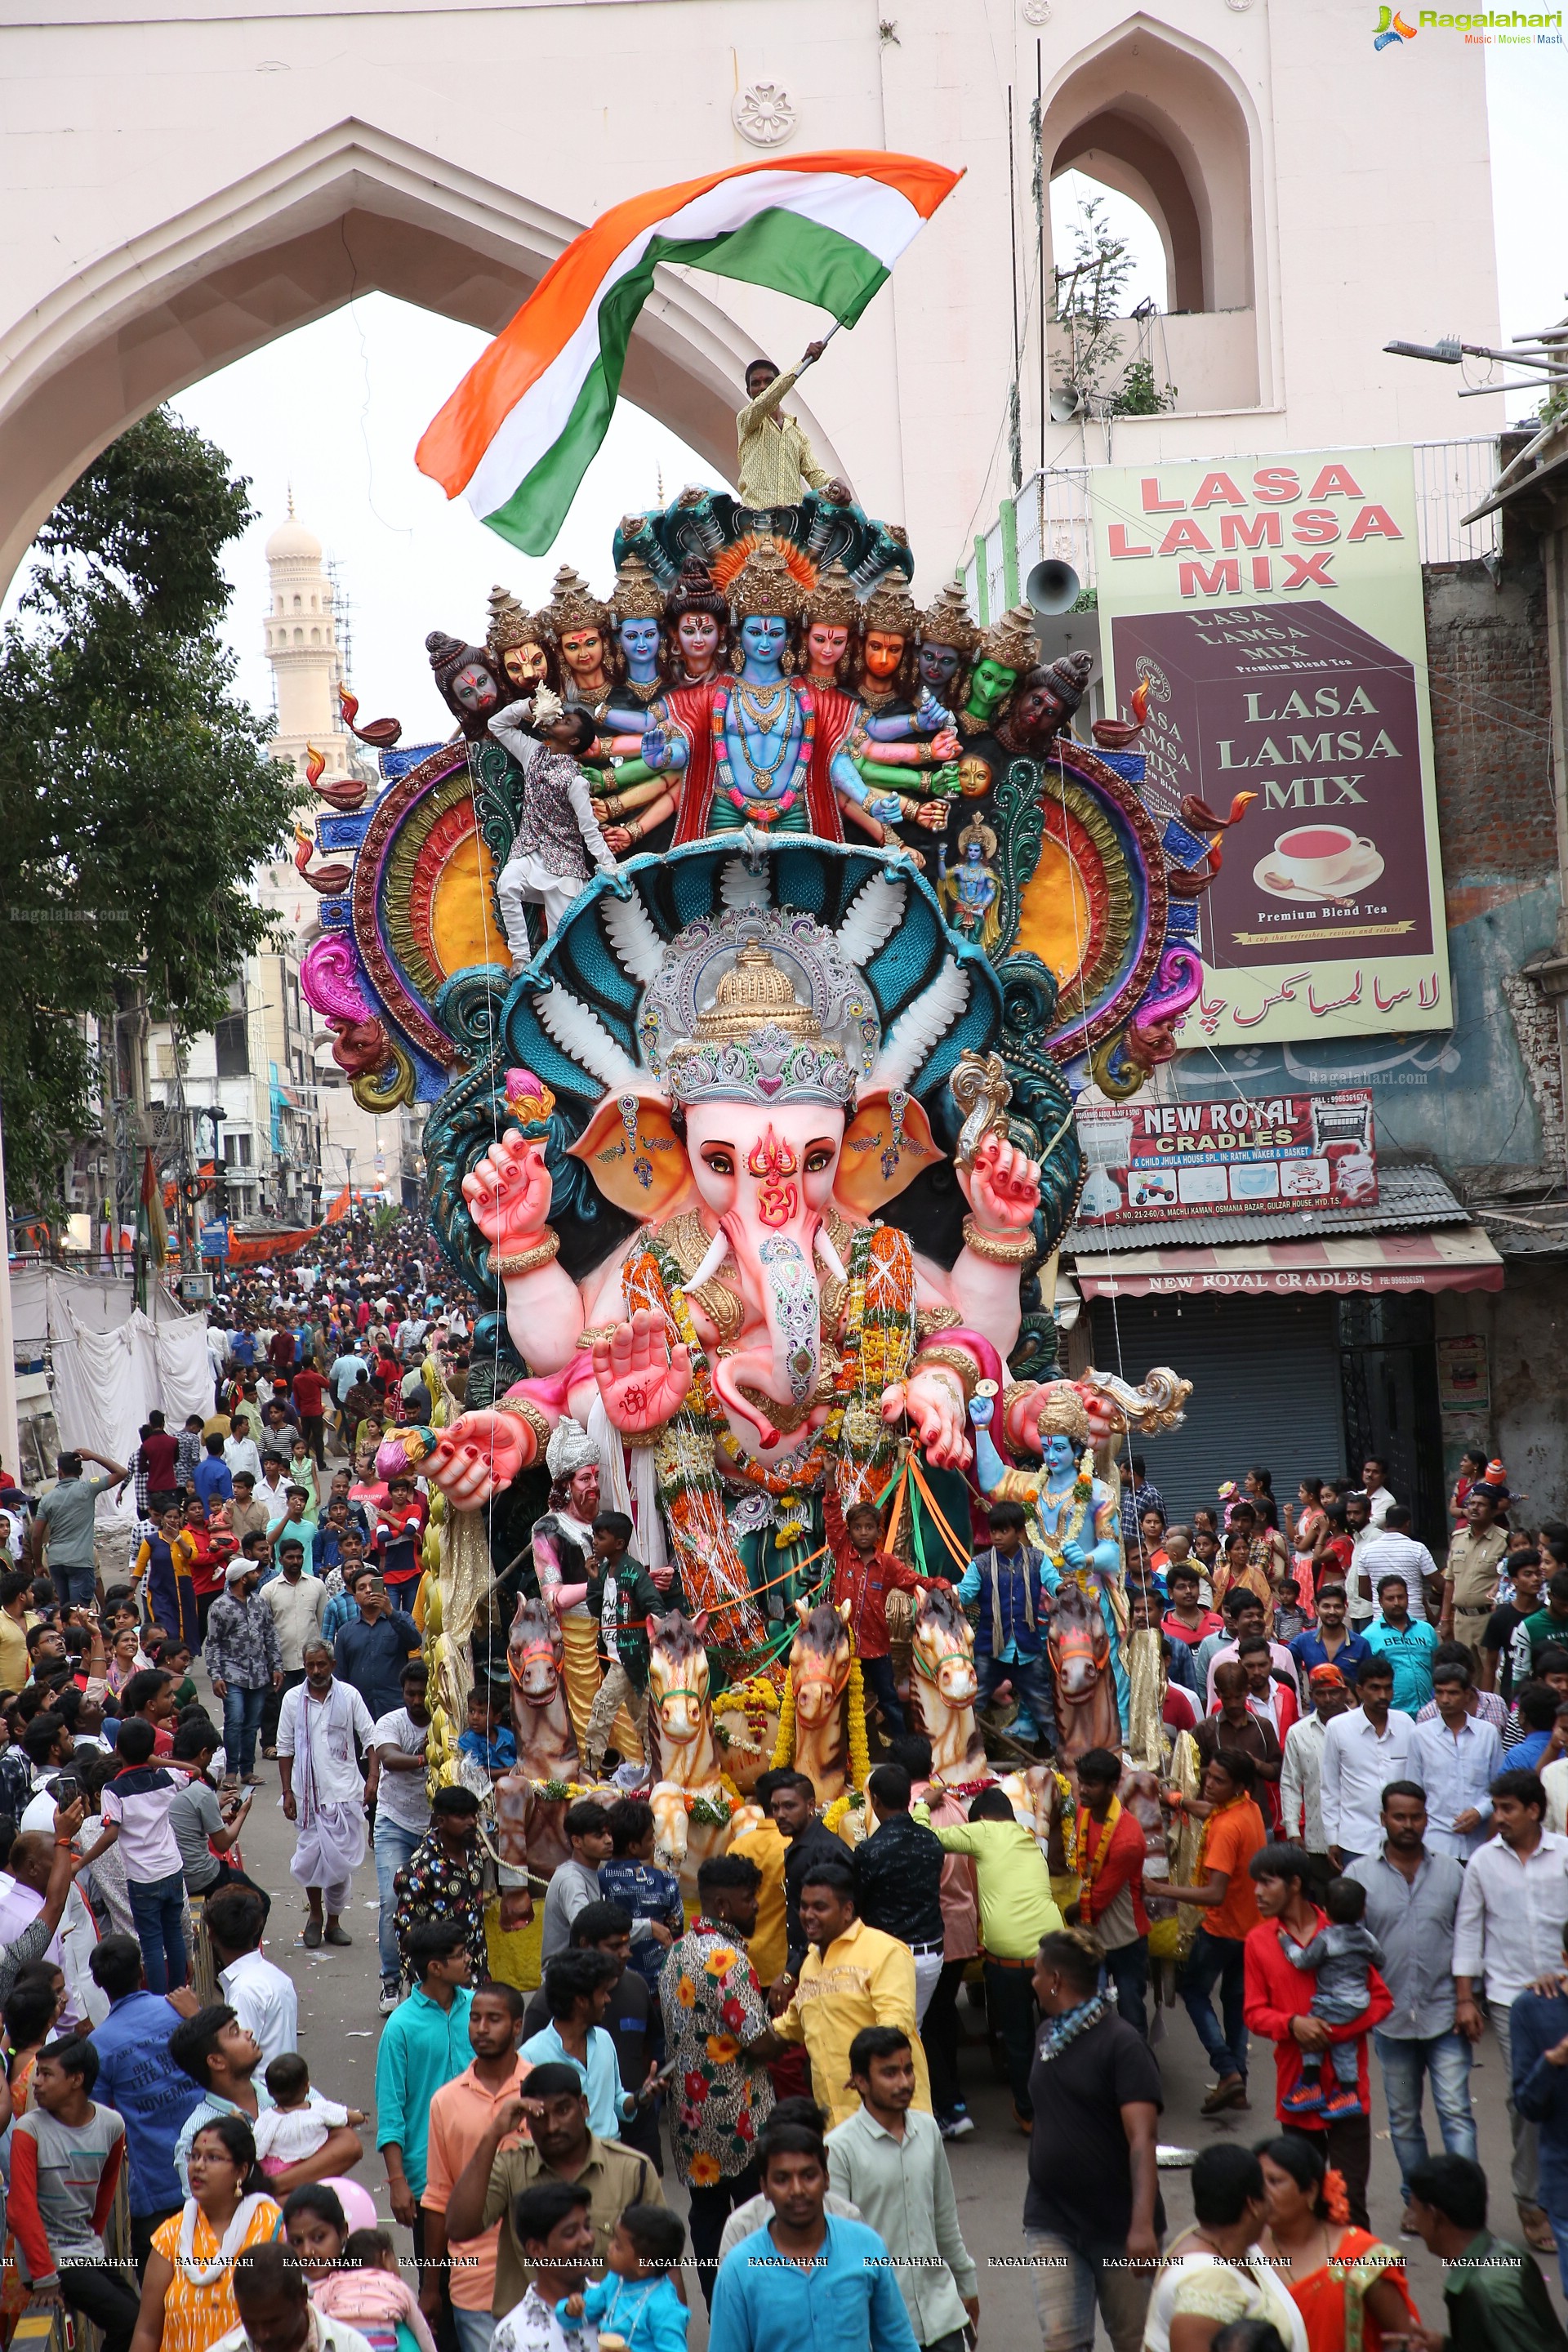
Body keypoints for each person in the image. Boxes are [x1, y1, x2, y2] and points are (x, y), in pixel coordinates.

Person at [1013, 1926, 1161, 2352]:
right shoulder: (1048, 2037)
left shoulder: (1123, 2045)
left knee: (1135, 2342)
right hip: (1051, 2218)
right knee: (1062, 2343)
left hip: (1118, 2225)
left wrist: (1141, 2224)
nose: (1033, 1981)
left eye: (1038, 1973)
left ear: (1056, 1980)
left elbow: (1142, 2139)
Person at [442, 2061, 666, 2321]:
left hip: (611, 2334)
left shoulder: (632, 2170)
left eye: (563, 2110)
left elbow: (664, 2262)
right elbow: (459, 2228)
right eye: (539, 2116)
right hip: (528, 2338)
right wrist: (493, 2135)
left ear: (583, 2106)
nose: (551, 2126)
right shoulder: (511, 2168)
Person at [1344, 1784, 1476, 2223]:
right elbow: (1348, 1949)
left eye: (1416, 1816)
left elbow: (1468, 1939)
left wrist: (1466, 1999)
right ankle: (1418, 2204)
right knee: (1403, 2120)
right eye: (1399, 1817)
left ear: (1425, 1817)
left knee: (1456, 2113)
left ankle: (1461, 2210)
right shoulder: (1359, 1877)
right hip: (1390, 2018)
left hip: (1447, 2013)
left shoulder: (1452, 1874)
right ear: (1383, 1819)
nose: (1408, 1825)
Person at [1245, 1843, 1392, 2230]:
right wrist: (1293, 2025)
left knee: (1349, 2204)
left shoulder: (1343, 1934)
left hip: (1348, 2095)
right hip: (1296, 2089)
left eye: (1266, 1883)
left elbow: (1380, 2001)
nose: (1257, 1892)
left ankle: (1358, 2285)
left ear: (1295, 1884)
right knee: (1302, 2209)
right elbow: (1254, 2013)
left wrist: (1330, 2032)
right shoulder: (1259, 1942)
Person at [1452, 1763, 1568, 2250]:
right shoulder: (1483, 1862)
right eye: (1495, 1808)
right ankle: (1531, 2202)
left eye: (1507, 1809)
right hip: (1508, 1999)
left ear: (1535, 1811)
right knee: (1526, 2102)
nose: (1497, 1817)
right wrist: (1465, 1998)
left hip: (1564, 1992)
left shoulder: (1564, 1855)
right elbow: (1468, 1928)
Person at [660, 1853, 782, 2296]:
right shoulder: (726, 1959)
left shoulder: (676, 1952)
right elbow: (761, 2042)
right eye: (750, 1899)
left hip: (691, 2118)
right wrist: (795, 2020)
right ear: (724, 1905)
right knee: (756, 2224)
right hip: (739, 2122)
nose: (757, 1908)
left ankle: (720, 2312)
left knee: (708, 2221)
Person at [825, 2027, 976, 2352]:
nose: (905, 2082)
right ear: (861, 2082)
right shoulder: (839, 2149)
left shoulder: (929, 2129)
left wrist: (966, 2284)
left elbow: (945, 2220)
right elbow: (837, 2247)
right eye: (890, 2073)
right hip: (879, 2325)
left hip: (942, 2315)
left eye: (908, 2070)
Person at [707, 2119, 918, 2352]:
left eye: (809, 2176)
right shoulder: (738, 2269)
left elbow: (898, 2343)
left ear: (827, 2179)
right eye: (782, 2179)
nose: (797, 2190)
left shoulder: (867, 2247)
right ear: (765, 2188)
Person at [920, 1786, 1062, 2123]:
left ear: (981, 1819)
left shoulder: (984, 1830)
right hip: (1056, 1950)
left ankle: (1028, 2112)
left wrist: (924, 1805)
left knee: (1018, 2037)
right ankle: (1065, 2104)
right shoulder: (1028, 1838)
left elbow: (924, 1836)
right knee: (1059, 2033)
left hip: (1010, 1959)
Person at [766, 1859, 932, 2130]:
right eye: (804, 1906)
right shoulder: (810, 1963)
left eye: (820, 1907)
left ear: (847, 1910)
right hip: (836, 2127)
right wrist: (740, 2039)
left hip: (892, 2117)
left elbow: (895, 2024)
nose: (808, 1915)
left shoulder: (885, 1951)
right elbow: (791, 2026)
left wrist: (867, 2067)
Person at [423, 1978, 533, 2352]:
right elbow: (438, 2199)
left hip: (542, 2279)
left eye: (494, 2019)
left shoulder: (540, 2091)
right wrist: (430, 2287)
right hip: (474, 2285)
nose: (481, 2029)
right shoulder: (445, 2102)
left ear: (517, 2026)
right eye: (475, 2019)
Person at [9, 2034, 135, 2352]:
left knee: (143, 2318)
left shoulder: (112, 2126)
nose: (36, 2082)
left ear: (77, 2080)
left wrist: (91, 2237)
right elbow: (20, 2209)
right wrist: (44, 2275)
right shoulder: (29, 2130)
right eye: (39, 2072)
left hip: (86, 2252)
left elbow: (105, 2191)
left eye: (47, 2074)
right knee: (128, 2322)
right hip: (53, 2261)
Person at [86, 1934, 204, 2266]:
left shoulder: (99, 2045)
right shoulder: (180, 2009)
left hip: (156, 2191)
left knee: (160, 2301)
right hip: (214, 2172)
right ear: (141, 1971)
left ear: (99, 1984)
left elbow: (101, 2118)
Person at [1161, 1749, 1268, 2116]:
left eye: (1218, 1781)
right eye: (1208, 1775)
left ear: (1238, 1785)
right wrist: (1179, 1801)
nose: (1209, 1783)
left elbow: (1214, 1893)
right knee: (1236, 2004)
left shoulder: (1226, 1828)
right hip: (1252, 1928)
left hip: (1222, 1928)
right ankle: (1237, 2082)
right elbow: (1212, 1812)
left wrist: (1162, 1890)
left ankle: (1226, 2069)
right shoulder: (1246, 1808)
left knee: (1193, 1992)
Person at [130, 2113, 284, 2352]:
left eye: (213, 2158)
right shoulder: (171, 2235)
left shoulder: (273, 2226)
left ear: (241, 2172)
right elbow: (147, 2330)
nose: (198, 2166)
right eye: (194, 2156)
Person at [376, 1920, 475, 2282]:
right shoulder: (400, 2027)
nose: (469, 1960)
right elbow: (391, 2111)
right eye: (460, 1955)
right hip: (427, 2180)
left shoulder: (480, 2011)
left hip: (484, 2169)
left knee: (483, 2280)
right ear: (435, 1968)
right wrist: (398, 2181)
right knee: (438, 2282)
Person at [1258, 2133, 1418, 2352]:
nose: (1262, 2193)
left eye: (1274, 2181)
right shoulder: (1245, 2252)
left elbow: (1405, 2339)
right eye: (1257, 2183)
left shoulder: (1362, 2256)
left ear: (1311, 2191)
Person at [488, 691, 617, 959]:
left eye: (567, 721)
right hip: (530, 853)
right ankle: (521, 958)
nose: (560, 719)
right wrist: (528, 706)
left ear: (573, 740)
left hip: (565, 870)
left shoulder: (576, 781)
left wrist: (611, 868)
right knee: (507, 885)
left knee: (562, 947)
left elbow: (589, 831)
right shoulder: (532, 752)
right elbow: (496, 725)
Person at [1142, 2144, 1306, 2352]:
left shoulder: (1211, 2239)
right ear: (1253, 2205)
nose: (1271, 2205)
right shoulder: (1206, 2290)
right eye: (1266, 2193)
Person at [1403, 2150, 1568, 2352]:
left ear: (1435, 2216)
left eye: (1414, 2209)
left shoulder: (1486, 2292)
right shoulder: (1507, 2255)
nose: (1414, 2220)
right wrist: (1444, 2346)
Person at [824, 1489, 946, 1739]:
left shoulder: (888, 1564)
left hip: (876, 1647)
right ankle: (838, 1752)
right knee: (837, 1701)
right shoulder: (842, 1551)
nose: (864, 1532)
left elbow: (916, 1581)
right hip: (841, 1646)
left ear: (879, 1532)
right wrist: (829, 1479)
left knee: (889, 1700)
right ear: (849, 1532)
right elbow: (832, 1516)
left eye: (869, 1527)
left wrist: (942, 1585)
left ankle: (904, 1750)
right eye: (857, 1527)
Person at [277, 1637, 375, 1948]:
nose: (316, 1670)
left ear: (333, 1665)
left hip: (345, 1790)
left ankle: (334, 1921)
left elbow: (370, 1737)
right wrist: (287, 1792)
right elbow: (284, 1747)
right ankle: (315, 1916)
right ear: (304, 1666)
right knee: (311, 1860)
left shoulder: (349, 1696)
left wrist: (373, 1777)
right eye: (310, 1665)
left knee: (339, 1863)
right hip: (307, 1796)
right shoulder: (292, 1699)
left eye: (322, 1664)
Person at [82, 1715, 188, 1993]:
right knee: (174, 1933)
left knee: (152, 1942)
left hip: (142, 1877)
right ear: (151, 1750)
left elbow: (111, 1833)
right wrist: (157, 1761)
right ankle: (179, 1993)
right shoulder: (165, 1779)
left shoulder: (112, 1790)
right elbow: (193, 1771)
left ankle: (158, 1999)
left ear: (117, 1750)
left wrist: (80, 1862)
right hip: (171, 1868)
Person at [581, 1512, 684, 1780]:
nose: (594, 1542)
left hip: (631, 1657)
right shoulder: (603, 1570)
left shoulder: (634, 1571)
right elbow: (596, 1610)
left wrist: (654, 1634)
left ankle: (590, 1772)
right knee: (644, 1720)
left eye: (600, 1537)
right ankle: (657, 1772)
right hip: (614, 1656)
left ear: (618, 1543)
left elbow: (656, 1607)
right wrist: (593, 1580)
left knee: (601, 1707)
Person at [1276, 1877, 1383, 2120]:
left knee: (1311, 2030)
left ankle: (1311, 2085)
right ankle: (1349, 2093)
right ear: (1363, 1910)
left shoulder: (1326, 1938)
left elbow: (1303, 1961)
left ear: (1325, 1910)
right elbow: (1380, 1960)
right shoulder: (1367, 1938)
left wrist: (1286, 1943)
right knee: (1344, 2048)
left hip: (1331, 2003)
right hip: (1358, 2004)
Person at [953, 1500, 1057, 1749]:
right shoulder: (980, 1564)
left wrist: (1062, 1588)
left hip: (1028, 1651)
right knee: (970, 1705)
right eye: (993, 1531)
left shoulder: (1038, 1560)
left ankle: (1065, 1760)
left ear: (1019, 1531)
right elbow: (965, 1593)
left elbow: (1054, 1581)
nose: (997, 1537)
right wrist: (951, 1593)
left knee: (1045, 1710)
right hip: (990, 1651)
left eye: (1003, 1531)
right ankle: (960, 1754)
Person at [852, 1764, 947, 2023]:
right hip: (930, 1958)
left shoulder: (870, 1851)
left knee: (891, 2037)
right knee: (912, 2031)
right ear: (908, 1798)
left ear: (875, 1800)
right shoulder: (931, 1841)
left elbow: (855, 1904)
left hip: (889, 1960)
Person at [1072, 1745, 1150, 2038]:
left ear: (1112, 1786)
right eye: (1081, 1782)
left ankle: (1138, 2073)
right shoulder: (1083, 1810)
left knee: (1131, 2013)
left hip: (1125, 1938)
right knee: (1095, 2013)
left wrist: (1060, 1914)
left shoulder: (1128, 1839)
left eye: (1091, 1784)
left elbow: (1099, 1898)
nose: (1083, 1790)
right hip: (1092, 1933)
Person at [371, 1658, 434, 2013]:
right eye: (410, 1694)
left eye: (422, 1694)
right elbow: (390, 1760)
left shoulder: (447, 1723)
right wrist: (429, 1758)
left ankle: (422, 1980)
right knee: (392, 1903)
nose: (416, 1700)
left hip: (433, 1827)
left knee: (430, 1908)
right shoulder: (390, 1723)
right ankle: (391, 1982)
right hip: (394, 1823)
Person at [394, 1784, 505, 1989]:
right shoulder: (418, 1870)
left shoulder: (475, 1853)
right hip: (440, 1979)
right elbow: (408, 1932)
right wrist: (424, 1984)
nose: (472, 1822)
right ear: (441, 1821)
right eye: (463, 1817)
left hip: (476, 1970)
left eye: (473, 1815)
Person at [519, 1950, 638, 2140]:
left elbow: (615, 2102)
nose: (608, 1999)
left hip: (611, 2157)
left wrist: (641, 2098)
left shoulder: (604, 2040)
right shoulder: (530, 2056)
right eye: (602, 1993)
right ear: (581, 2001)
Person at [1318, 1659, 1413, 1869]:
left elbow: (1416, 1781)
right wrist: (1332, 1839)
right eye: (1375, 1688)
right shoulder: (1338, 1728)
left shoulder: (1406, 1724)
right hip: (1355, 1842)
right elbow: (1330, 1787)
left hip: (1401, 1840)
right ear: (1360, 1691)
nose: (1382, 1695)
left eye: (1388, 1688)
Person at [555, 2205, 688, 2352]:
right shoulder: (616, 2281)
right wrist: (570, 2309)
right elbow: (577, 2316)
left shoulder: (664, 2307)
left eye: (618, 2246)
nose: (609, 2247)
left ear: (643, 2264)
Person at [733, 343, 850, 510]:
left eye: (769, 381)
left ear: (778, 382)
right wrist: (803, 363)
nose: (763, 387)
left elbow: (813, 474)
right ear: (748, 391)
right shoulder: (746, 420)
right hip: (756, 519)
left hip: (791, 525)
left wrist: (834, 483)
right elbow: (767, 399)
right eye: (756, 383)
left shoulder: (795, 431)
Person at [216, 2238, 386, 2352]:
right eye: (250, 2323)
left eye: (273, 2322)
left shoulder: (350, 2347)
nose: (262, 2335)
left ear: (302, 2297)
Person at [1408, 1661, 1502, 1857]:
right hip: (1435, 1842)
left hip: (1480, 1843)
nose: (1445, 1699)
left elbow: (1499, 1788)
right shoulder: (1420, 1736)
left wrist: (1480, 1811)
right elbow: (1414, 1789)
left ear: (1468, 1695)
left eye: (1452, 1693)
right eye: (1440, 1692)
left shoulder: (1488, 1734)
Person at [205, 1557, 284, 1787]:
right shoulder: (220, 1606)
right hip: (232, 1675)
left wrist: (276, 1666)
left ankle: (247, 1771)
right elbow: (213, 1643)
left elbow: (270, 1636)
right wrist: (215, 1675)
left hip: (259, 1675)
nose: (258, 1575)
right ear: (242, 1578)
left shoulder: (259, 1603)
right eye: (253, 1573)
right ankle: (230, 1773)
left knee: (252, 1724)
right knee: (235, 1721)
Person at [770, 1770, 854, 1980]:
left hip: (826, 1966)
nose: (780, 1814)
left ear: (810, 1806)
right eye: (775, 1808)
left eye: (789, 1806)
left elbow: (835, 1921)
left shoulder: (828, 1850)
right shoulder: (800, 1846)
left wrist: (792, 1971)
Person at [596, 1797, 682, 1998]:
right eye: (650, 1837)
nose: (654, 1842)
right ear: (633, 1847)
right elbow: (677, 1935)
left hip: (615, 1989)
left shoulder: (597, 1882)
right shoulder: (665, 1881)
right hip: (661, 1989)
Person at [204, 1885, 299, 2067]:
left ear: (211, 1934)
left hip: (258, 2091)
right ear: (256, 1927)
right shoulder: (278, 1977)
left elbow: (234, 2059)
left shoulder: (243, 1992)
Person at [311, 2222, 440, 2352]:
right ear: (385, 2258)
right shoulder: (396, 2285)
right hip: (381, 2346)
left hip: (344, 2344)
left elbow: (313, 2313)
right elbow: (420, 2328)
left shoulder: (333, 2282)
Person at [31, 1447, 126, 1608]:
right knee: (79, 1612)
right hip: (80, 1561)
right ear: (80, 1471)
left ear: (59, 1472)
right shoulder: (88, 1488)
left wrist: (39, 1565)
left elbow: (36, 1536)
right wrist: (93, 1456)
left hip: (56, 1561)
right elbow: (121, 1472)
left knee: (65, 1611)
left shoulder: (47, 1499)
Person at [253, 2051, 365, 2182]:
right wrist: (361, 2117)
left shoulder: (268, 2119)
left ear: (270, 2092)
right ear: (307, 2087)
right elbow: (345, 2115)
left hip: (279, 2172)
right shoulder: (319, 2108)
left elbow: (258, 2149)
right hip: (317, 2167)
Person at [1197, 1663, 1282, 1834]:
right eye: (1227, 1698)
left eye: (1238, 1697)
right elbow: (1193, 1774)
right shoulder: (1205, 1729)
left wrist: (1256, 1764)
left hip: (1258, 1821)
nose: (1234, 1704)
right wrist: (1222, 1771)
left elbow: (1278, 1770)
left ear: (1248, 1691)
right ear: (1217, 1694)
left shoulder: (1263, 1727)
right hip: (1219, 1821)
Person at [261, 1535, 325, 1757]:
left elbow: (321, 1622)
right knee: (280, 1706)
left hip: (311, 1662)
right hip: (282, 1661)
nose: (295, 1561)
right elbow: (265, 1628)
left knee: (312, 1705)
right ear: (280, 1559)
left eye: (299, 1557)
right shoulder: (269, 1591)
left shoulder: (317, 1586)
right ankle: (277, 1745)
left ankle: (310, 1744)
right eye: (290, 1557)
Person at [333, 1567, 422, 1723]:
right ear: (355, 1598)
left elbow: (414, 1641)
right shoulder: (345, 1632)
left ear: (383, 1589)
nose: (368, 1591)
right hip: (360, 1711)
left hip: (395, 1708)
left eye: (372, 1586)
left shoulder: (401, 1618)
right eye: (362, 1588)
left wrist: (390, 1612)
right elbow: (340, 1677)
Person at [1278, 1665, 1349, 1861]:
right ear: (1311, 1695)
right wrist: (1293, 1831)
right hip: (1317, 1839)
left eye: (1333, 1692)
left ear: (1344, 1692)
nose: (1328, 1700)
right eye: (1321, 1694)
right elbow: (1290, 1783)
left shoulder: (1362, 1727)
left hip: (1360, 1838)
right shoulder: (1298, 1732)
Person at [1439, 1484, 1508, 1660]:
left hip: (1488, 1619)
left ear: (1493, 1512)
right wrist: (1445, 1619)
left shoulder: (1505, 1540)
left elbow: (1507, 1581)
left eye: (1481, 1505)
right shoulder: (1458, 1538)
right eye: (1471, 1503)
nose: (1475, 1508)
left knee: (1491, 1677)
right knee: (1465, 1675)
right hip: (1461, 1620)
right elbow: (1450, 1581)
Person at [1361, 1578, 1439, 1716]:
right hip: (1392, 1714)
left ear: (1408, 1598)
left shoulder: (1426, 1630)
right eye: (1390, 1599)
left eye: (1401, 1597)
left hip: (1429, 1713)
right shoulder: (1369, 1636)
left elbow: (1437, 1669)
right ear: (1380, 1602)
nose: (1397, 1603)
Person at [1287, 1585, 1370, 1692]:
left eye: (1337, 1607)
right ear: (1317, 1610)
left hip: (1351, 1708)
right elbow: (1282, 1660)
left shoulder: (1361, 1644)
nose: (1332, 1612)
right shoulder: (1303, 1641)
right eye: (1326, 1606)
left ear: (1345, 1609)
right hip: (1317, 1708)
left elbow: (1368, 1681)